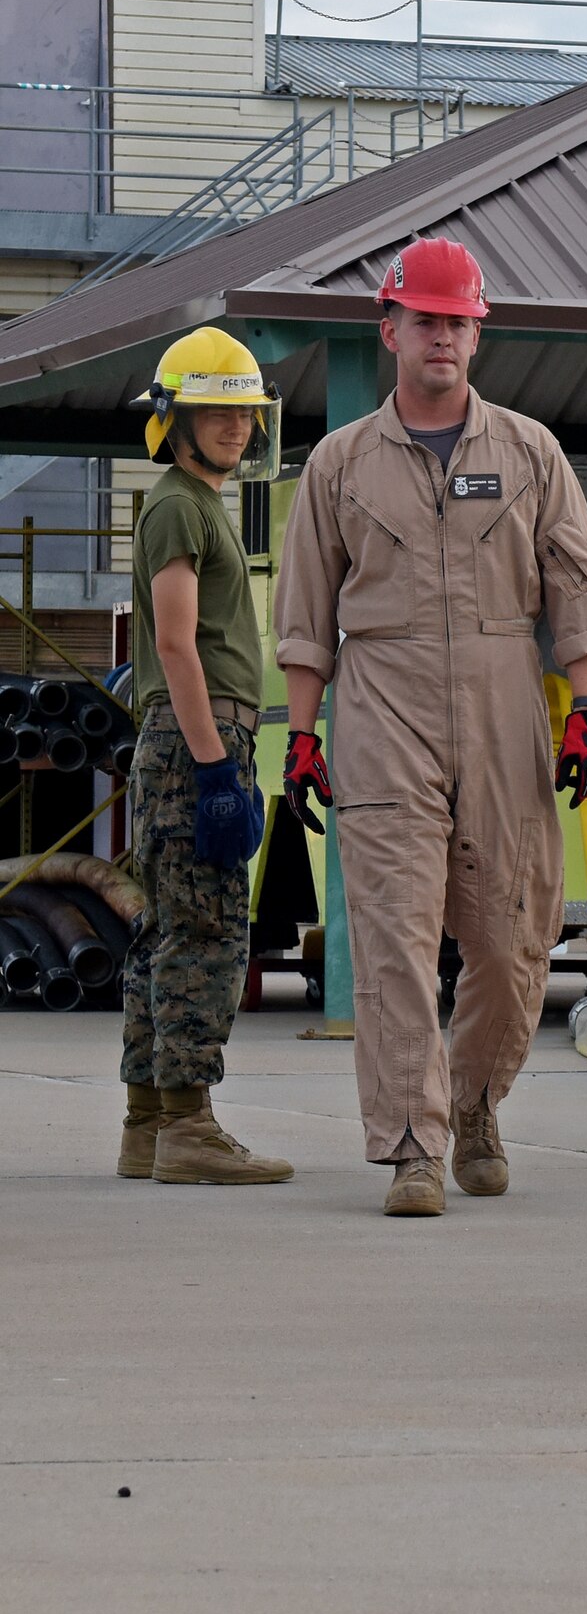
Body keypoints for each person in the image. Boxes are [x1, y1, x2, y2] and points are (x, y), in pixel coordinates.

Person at [273, 238, 587, 1218]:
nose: (442, 337)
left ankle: (471, 1103)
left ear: (477, 334)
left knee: (515, 942)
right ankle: (414, 1147)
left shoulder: (528, 451)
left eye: (457, 322)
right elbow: (304, 616)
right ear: (390, 330)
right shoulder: (338, 463)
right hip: (382, 696)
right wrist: (301, 736)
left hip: (507, 692)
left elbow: (576, 592)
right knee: (393, 937)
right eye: (425, 320)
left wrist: (585, 714)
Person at [119, 329, 293, 1187]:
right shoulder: (181, 503)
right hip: (197, 741)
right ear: (174, 418)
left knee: (166, 932)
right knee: (208, 932)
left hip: (187, 740)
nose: (235, 425)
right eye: (214, 410)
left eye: (244, 411)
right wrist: (217, 768)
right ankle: (189, 1127)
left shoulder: (191, 502)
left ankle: (149, 1125)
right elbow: (176, 644)